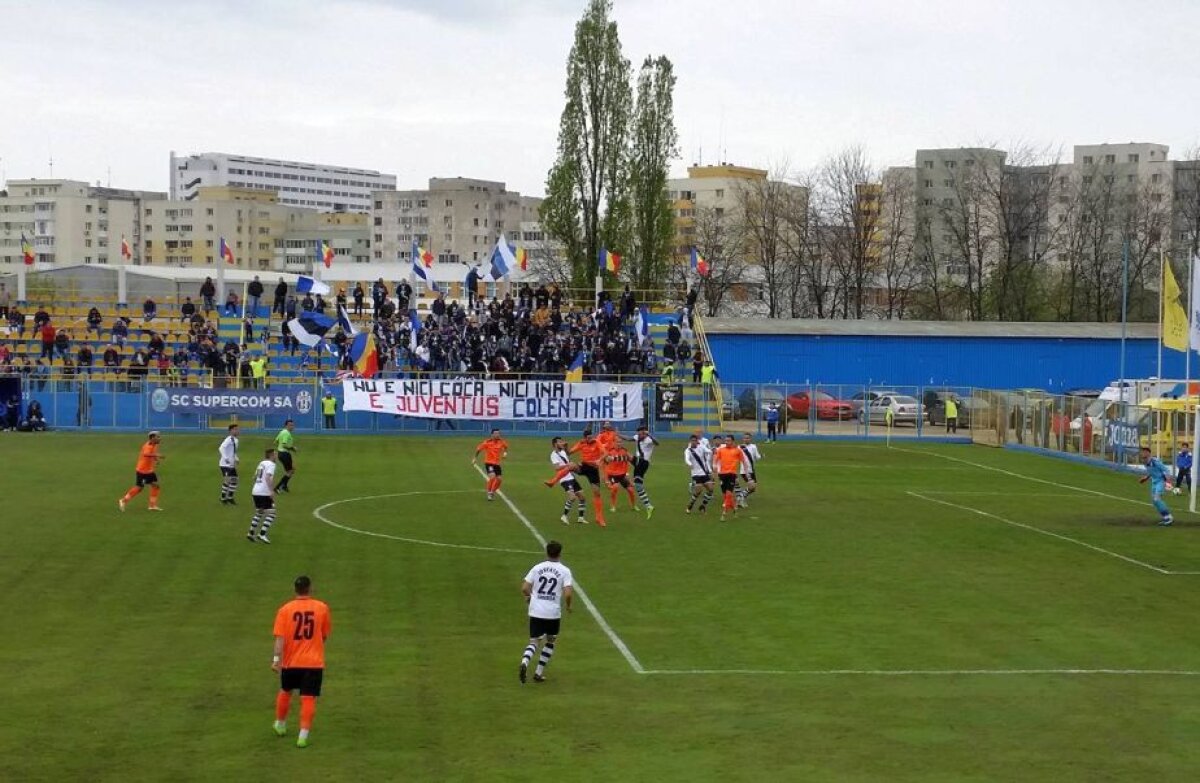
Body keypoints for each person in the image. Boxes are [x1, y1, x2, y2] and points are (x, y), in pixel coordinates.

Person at [271, 575, 332, 747]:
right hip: (313, 662)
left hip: (291, 661)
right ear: (310, 588)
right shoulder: (322, 608)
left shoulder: (285, 610)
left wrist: (276, 659)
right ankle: (303, 736)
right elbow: (324, 635)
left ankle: (280, 724)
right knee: (308, 698)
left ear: (295, 590)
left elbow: (280, 639)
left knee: (285, 690)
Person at [519, 540, 573, 684]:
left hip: (536, 611)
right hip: (553, 613)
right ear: (560, 554)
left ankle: (525, 661)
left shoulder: (537, 568)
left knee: (534, 641)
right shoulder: (565, 571)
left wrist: (529, 598)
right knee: (550, 641)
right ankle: (538, 673)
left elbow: (524, 588)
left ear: (546, 552)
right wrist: (568, 606)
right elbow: (568, 594)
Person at [118, 431, 164, 512]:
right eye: (158, 437)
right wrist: (157, 455)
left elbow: (152, 453)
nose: (159, 438)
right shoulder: (148, 446)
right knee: (139, 488)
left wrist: (156, 460)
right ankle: (123, 500)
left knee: (155, 486)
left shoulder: (155, 444)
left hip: (149, 470)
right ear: (152, 438)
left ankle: (152, 506)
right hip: (143, 471)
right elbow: (146, 454)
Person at [549, 437, 587, 525]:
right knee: (572, 497)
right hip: (564, 479)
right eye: (560, 442)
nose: (562, 443)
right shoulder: (553, 455)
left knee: (582, 497)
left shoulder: (563, 452)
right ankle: (564, 516)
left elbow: (567, 459)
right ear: (555, 444)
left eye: (562, 441)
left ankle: (581, 518)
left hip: (571, 477)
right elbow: (557, 468)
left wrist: (575, 465)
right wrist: (568, 465)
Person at [713, 435, 747, 522]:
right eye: (726, 441)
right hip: (722, 475)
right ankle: (735, 509)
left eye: (728, 441)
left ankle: (724, 514)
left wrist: (746, 472)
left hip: (732, 474)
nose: (727, 442)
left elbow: (744, 461)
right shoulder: (721, 450)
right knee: (726, 496)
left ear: (733, 441)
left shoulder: (737, 451)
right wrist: (714, 466)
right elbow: (715, 459)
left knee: (728, 494)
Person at [1139, 446, 1174, 527]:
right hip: (1154, 482)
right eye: (1142, 451)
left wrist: (1168, 481)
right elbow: (1151, 471)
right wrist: (1146, 478)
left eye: (1144, 451)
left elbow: (1166, 470)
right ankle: (1165, 517)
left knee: (1157, 498)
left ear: (1148, 453)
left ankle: (1169, 518)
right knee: (1155, 501)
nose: (1143, 453)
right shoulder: (1144, 462)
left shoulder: (1155, 462)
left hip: (1160, 481)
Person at [249, 448, 279, 543]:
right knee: (272, 514)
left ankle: (251, 533)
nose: (276, 456)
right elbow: (267, 477)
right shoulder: (272, 465)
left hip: (255, 491)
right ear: (271, 455)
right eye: (275, 454)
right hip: (264, 492)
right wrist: (271, 491)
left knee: (260, 512)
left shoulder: (261, 463)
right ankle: (262, 534)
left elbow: (254, 477)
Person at [472, 428, 510, 501]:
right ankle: (489, 493)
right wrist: (475, 458)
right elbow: (479, 449)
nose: (497, 435)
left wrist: (505, 454)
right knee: (492, 477)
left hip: (497, 464)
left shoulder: (501, 442)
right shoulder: (487, 442)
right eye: (496, 433)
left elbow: (506, 447)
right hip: (489, 463)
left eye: (498, 433)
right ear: (492, 434)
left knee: (499, 480)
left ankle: (492, 492)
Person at [603, 442, 638, 513]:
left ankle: (634, 506)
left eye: (620, 442)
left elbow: (630, 458)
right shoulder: (610, 451)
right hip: (613, 475)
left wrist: (631, 459)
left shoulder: (624, 451)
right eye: (617, 442)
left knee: (631, 490)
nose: (619, 444)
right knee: (615, 488)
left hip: (622, 475)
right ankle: (613, 506)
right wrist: (606, 480)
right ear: (614, 443)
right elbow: (606, 460)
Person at [684, 433, 714, 515]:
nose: (694, 442)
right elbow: (687, 459)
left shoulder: (701, 447)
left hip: (704, 473)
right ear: (690, 441)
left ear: (697, 441)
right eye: (692, 440)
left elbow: (708, 451)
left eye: (695, 440)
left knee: (711, 489)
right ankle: (690, 506)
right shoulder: (688, 450)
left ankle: (703, 506)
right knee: (698, 491)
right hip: (696, 474)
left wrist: (711, 451)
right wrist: (690, 464)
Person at [632, 425, 658, 519]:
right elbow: (629, 438)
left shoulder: (649, 440)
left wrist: (649, 435)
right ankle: (648, 506)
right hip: (638, 462)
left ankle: (614, 458)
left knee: (626, 455)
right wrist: (618, 434)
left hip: (643, 462)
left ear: (645, 433)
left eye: (641, 433)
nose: (639, 435)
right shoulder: (637, 437)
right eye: (638, 433)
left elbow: (657, 443)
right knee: (637, 485)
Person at [736, 433, 763, 508]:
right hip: (744, 471)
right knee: (751, 486)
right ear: (743, 439)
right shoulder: (739, 447)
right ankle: (741, 498)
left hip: (752, 470)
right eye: (745, 438)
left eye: (748, 438)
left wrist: (760, 456)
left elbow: (757, 457)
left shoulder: (754, 447)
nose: (746, 439)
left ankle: (741, 497)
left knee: (753, 488)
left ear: (750, 439)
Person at [274, 419, 298, 492]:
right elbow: (284, 445)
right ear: (286, 426)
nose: (292, 427)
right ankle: (277, 487)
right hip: (284, 454)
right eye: (290, 425)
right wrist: (292, 448)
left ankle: (284, 486)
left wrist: (280, 447)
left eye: (292, 425)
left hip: (281, 453)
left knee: (292, 470)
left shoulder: (282, 432)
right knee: (290, 471)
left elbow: (275, 441)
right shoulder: (286, 433)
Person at [219, 423, 240, 505]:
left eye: (238, 429)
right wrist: (226, 458)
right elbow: (221, 448)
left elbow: (233, 452)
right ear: (231, 431)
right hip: (225, 464)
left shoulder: (236, 440)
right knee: (227, 480)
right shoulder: (228, 439)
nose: (237, 431)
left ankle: (230, 497)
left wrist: (236, 458)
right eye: (235, 429)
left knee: (234, 480)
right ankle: (223, 498)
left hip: (231, 464)